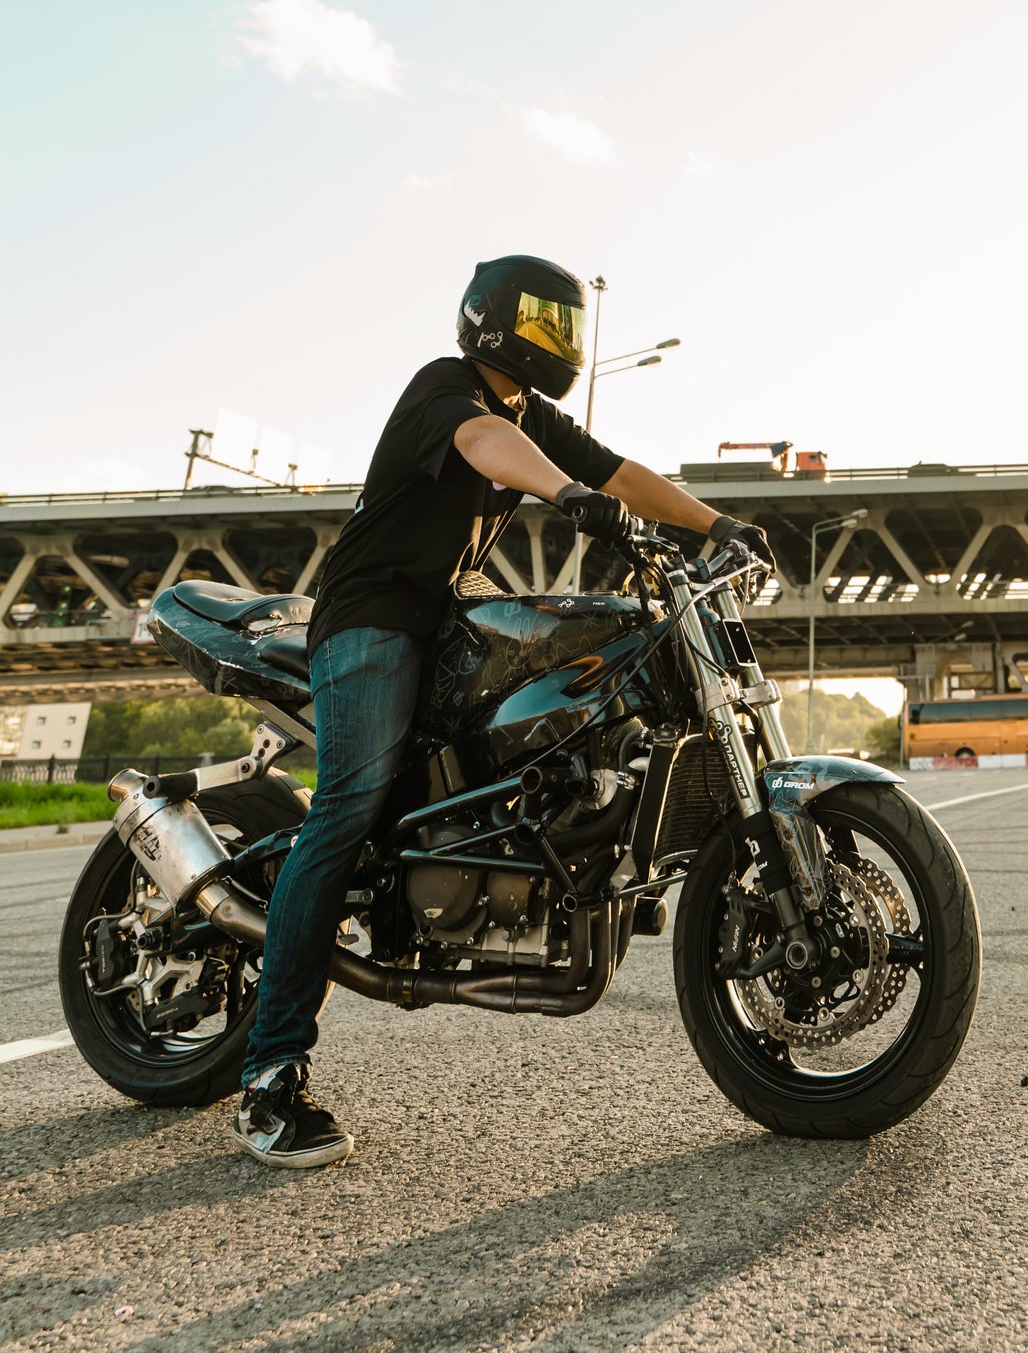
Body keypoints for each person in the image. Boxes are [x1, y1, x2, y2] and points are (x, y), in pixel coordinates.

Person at [231, 254, 774, 1167]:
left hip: (446, 617)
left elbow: (619, 468)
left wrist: (715, 525)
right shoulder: (447, 390)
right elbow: (490, 448)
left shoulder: (530, 409)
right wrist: (569, 496)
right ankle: (269, 1076)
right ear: (493, 320)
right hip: (373, 618)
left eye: (569, 329)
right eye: (545, 324)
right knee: (346, 810)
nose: (559, 342)